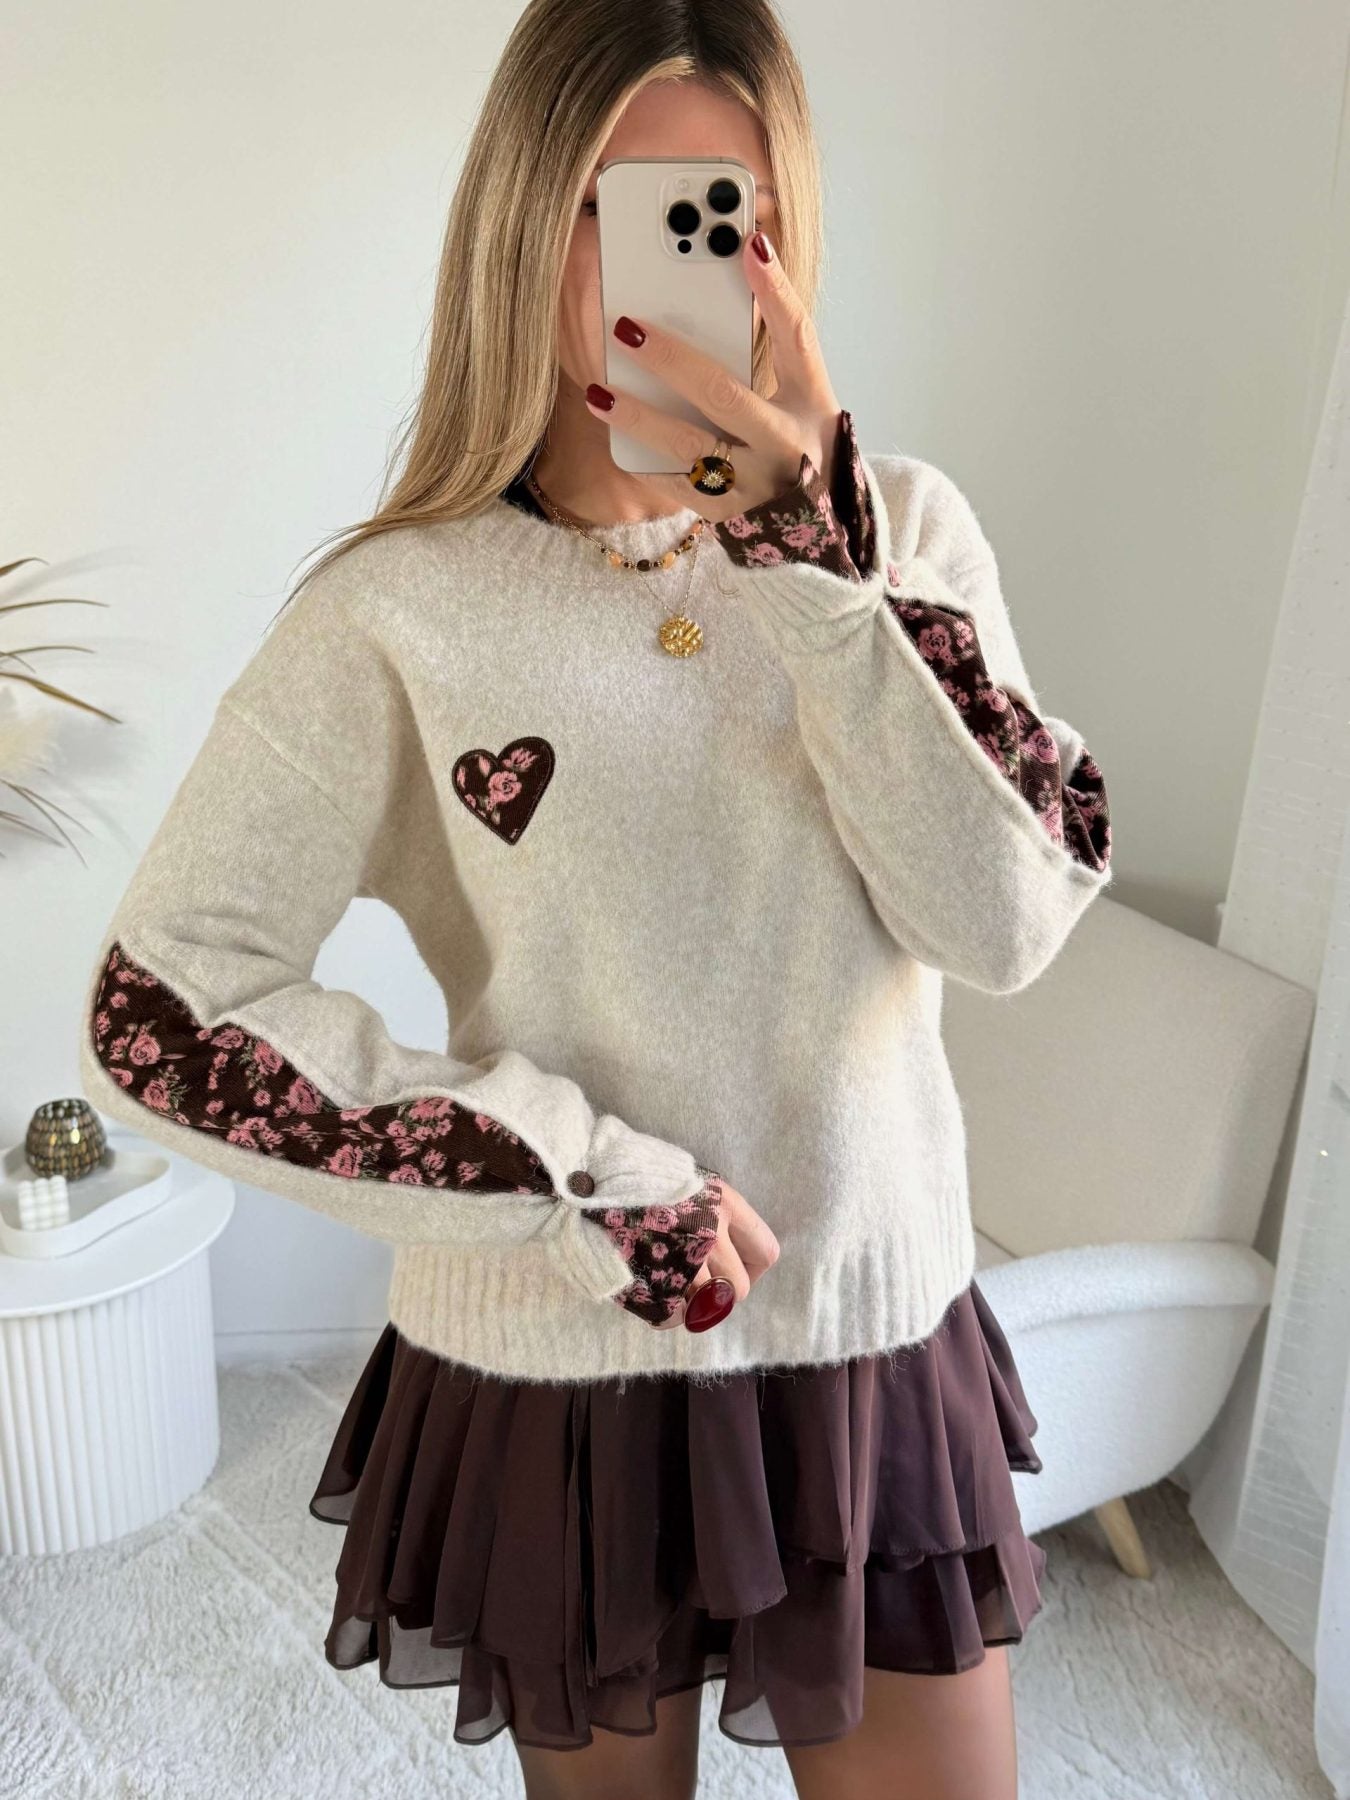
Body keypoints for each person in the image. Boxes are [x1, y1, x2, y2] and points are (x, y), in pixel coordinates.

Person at [78, 2, 1113, 1794]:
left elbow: (1006, 920)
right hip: (560, 1365)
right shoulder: (395, 610)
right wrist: (575, 1176)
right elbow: (162, 1005)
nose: (671, 273)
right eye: (616, 211)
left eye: (725, 216)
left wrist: (811, 568)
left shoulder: (900, 540)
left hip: (866, 1337)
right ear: (516, 219)